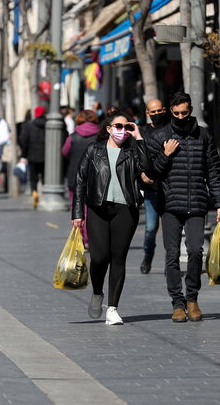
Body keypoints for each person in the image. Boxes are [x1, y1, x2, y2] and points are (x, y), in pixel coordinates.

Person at [145, 92, 220, 323]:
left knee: (194, 251)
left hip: (197, 203)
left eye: (184, 112)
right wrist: (165, 154)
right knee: (171, 255)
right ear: (170, 111)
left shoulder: (203, 135)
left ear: (190, 110)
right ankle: (177, 303)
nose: (181, 116)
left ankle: (192, 298)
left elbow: (213, 170)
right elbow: (151, 174)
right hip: (170, 203)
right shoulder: (160, 136)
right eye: (176, 113)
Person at [72, 109, 147, 325]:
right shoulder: (94, 150)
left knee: (118, 258)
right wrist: (78, 213)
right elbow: (80, 181)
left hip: (126, 210)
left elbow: (148, 168)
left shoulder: (133, 151)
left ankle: (113, 308)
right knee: (99, 257)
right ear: (109, 129)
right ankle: (97, 292)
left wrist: (139, 138)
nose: (122, 131)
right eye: (118, 126)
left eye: (127, 127)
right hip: (98, 208)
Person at [139, 98, 170, 274]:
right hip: (151, 189)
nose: (157, 114)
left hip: (169, 188)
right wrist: (142, 176)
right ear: (147, 114)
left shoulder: (171, 130)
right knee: (151, 228)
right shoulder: (143, 133)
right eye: (154, 111)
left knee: (169, 230)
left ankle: (169, 261)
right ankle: (148, 255)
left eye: (160, 110)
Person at [62, 109, 100, 245]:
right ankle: (91, 237)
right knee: (92, 209)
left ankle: (81, 238)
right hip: (96, 177)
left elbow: (65, 152)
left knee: (76, 207)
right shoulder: (101, 136)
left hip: (75, 176)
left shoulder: (73, 136)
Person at [20, 106, 47, 209]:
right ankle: (43, 194)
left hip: (32, 156)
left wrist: (24, 154)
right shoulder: (48, 124)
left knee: (33, 177)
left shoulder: (28, 125)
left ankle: (34, 192)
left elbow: (23, 140)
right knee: (44, 177)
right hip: (46, 157)